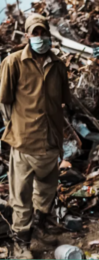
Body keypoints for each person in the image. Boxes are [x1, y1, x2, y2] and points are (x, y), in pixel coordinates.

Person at [0, 14, 71, 258]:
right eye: (35, 33)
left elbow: (62, 102)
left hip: (50, 142)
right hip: (24, 143)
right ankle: (22, 244)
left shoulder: (58, 66)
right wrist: (16, 128)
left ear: (49, 34)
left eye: (43, 33)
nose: (39, 38)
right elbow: (5, 102)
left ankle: (41, 228)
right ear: (28, 36)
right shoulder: (13, 63)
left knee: (46, 191)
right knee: (21, 196)